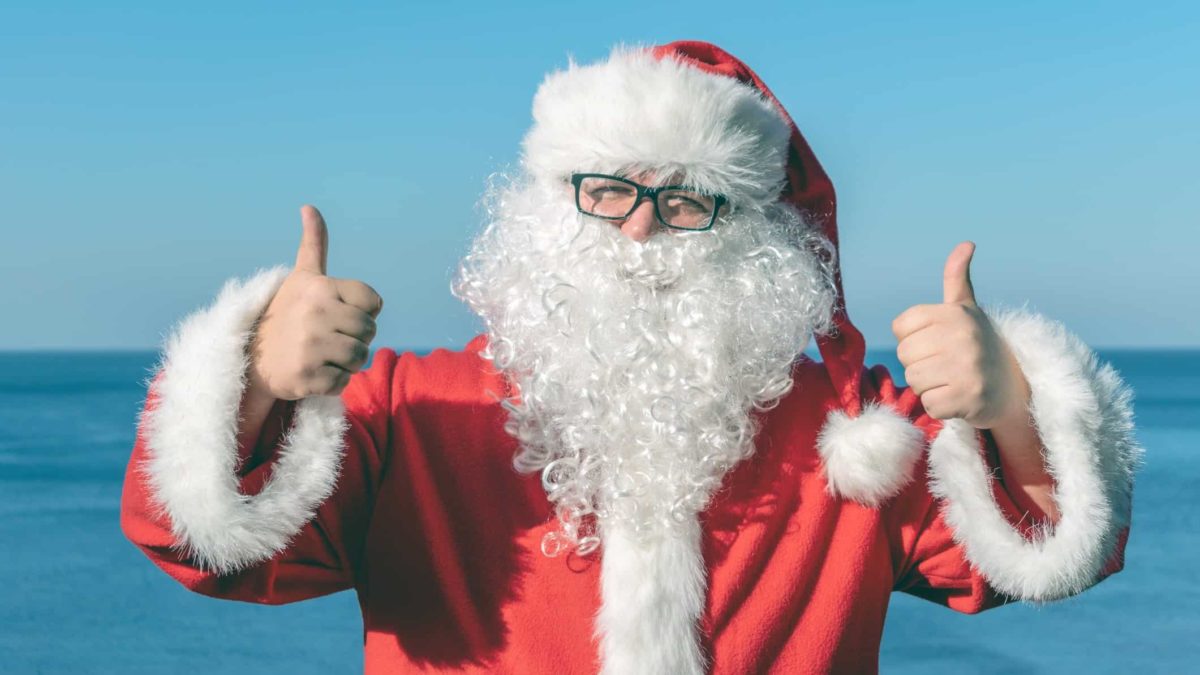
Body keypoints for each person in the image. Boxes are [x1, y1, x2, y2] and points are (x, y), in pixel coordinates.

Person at [120, 41, 1142, 674]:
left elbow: (1048, 557)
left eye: (687, 199)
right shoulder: (414, 412)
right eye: (606, 190)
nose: (640, 231)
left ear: (759, 231)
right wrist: (258, 381)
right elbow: (201, 546)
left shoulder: (859, 434)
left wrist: (1010, 406)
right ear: (544, 205)